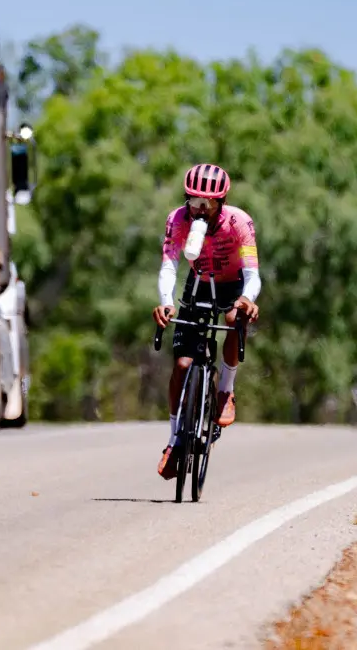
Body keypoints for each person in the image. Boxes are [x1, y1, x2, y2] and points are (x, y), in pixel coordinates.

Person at [153, 163, 261, 480]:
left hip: (233, 284)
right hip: (198, 281)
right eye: (194, 201)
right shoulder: (177, 220)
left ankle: (225, 392)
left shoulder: (239, 222)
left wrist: (248, 299)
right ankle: (174, 442)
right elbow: (169, 266)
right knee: (183, 365)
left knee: (231, 318)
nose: (200, 209)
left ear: (221, 203)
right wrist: (165, 302)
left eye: (208, 203)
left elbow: (254, 275)